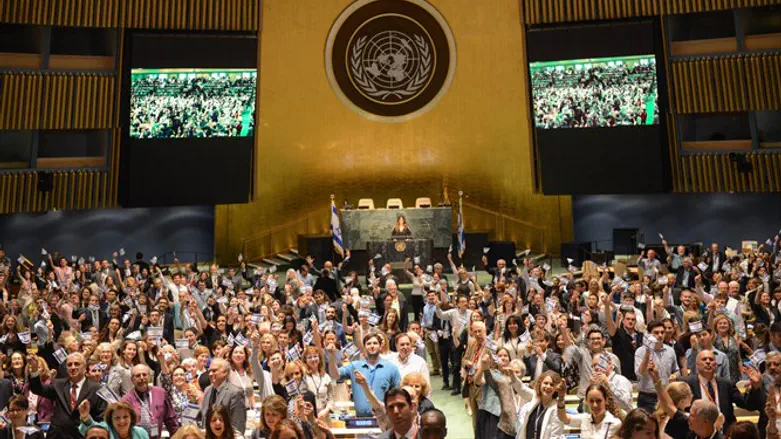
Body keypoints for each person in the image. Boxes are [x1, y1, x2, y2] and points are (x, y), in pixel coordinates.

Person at [678, 350, 762, 433]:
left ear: (716, 365)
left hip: (724, 433)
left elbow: (749, 405)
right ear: (697, 365)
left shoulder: (727, 384)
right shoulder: (687, 384)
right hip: (697, 433)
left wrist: (755, 388)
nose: (708, 362)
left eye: (711, 359)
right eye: (704, 359)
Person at [28, 352, 107, 439]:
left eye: (77, 364)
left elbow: (101, 418)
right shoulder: (58, 384)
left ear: (85, 368)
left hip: (82, 435)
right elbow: (37, 389)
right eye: (69, 365)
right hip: (56, 436)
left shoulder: (96, 389)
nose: (73, 367)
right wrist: (34, 369)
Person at [327, 333, 401, 418]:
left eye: (375, 343)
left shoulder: (391, 368)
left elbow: (397, 396)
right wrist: (331, 356)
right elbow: (335, 375)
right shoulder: (354, 366)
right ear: (364, 347)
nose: (372, 346)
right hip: (360, 420)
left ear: (381, 346)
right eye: (368, 344)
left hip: (384, 418)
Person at [121, 364, 180, 439]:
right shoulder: (125, 401)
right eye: (138, 375)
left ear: (149, 377)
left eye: (144, 374)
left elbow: (171, 420)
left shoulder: (160, 393)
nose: (142, 378)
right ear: (132, 379)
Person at [635, 320, 679, 413]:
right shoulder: (640, 351)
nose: (660, 335)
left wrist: (675, 375)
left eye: (662, 332)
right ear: (649, 335)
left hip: (666, 395)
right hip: (647, 397)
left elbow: (676, 370)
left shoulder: (670, 350)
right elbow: (640, 373)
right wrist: (648, 353)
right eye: (656, 332)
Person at [556, 383, 621, 439]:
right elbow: (563, 418)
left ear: (606, 401)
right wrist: (561, 398)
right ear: (586, 401)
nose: (595, 405)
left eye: (599, 401)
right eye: (591, 401)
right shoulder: (584, 418)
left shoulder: (615, 424)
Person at [199, 359, 246, 435]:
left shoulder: (235, 393)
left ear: (225, 372)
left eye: (214, 371)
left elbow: (238, 426)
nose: (210, 374)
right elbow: (203, 418)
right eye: (209, 371)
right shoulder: (207, 390)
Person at [517, 371, 566, 439]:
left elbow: (555, 436)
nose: (548, 386)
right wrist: (511, 375)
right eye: (545, 383)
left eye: (552, 384)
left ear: (556, 388)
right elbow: (521, 389)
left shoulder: (558, 409)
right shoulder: (535, 398)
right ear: (540, 384)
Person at [79, 400, 150, 439]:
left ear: (131, 418)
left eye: (125, 417)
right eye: (117, 418)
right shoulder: (105, 429)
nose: (122, 421)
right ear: (111, 420)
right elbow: (90, 429)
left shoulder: (141, 433)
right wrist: (85, 417)